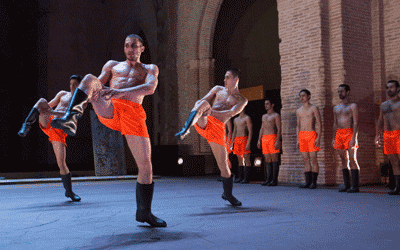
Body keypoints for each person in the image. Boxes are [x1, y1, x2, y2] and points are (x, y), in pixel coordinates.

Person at [50, 34, 166, 227]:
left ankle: (144, 213)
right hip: (111, 107)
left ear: (141, 49)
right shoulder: (113, 65)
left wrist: (120, 92)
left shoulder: (149, 68)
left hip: (133, 113)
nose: (130, 49)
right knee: (88, 79)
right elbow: (97, 84)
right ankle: (71, 118)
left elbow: (150, 88)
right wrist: (92, 95)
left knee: (146, 167)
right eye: (127, 46)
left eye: (134, 46)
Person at [175, 68, 248, 206]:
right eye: (224, 77)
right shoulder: (217, 89)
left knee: (224, 166)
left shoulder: (242, 100)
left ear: (236, 79)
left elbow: (231, 113)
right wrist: (205, 110)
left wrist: (211, 111)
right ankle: (186, 128)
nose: (225, 80)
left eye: (227, 77)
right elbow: (203, 102)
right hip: (204, 121)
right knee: (200, 103)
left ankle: (228, 194)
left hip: (218, 127)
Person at [18, 75, 84, 202]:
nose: (72, 86)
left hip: (59, 128)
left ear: (80, 85)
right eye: (71, 84)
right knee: (42, 101)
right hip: (49, 121)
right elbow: (48, 105)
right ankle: (26, 125)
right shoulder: (62, 94)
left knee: (61, 163)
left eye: (75, 84)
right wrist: (45, 111)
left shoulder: (80, 100)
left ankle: (69, 192)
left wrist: (52, 113)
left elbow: (70, 116)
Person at [333, 84, 360, 193]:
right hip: (339, 133)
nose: (340, 93)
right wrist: (334, 137)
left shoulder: (353, 106)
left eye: (342, 91)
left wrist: (354, 137)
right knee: (343, 159)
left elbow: (356, 122)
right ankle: (347, 185)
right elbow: (335, 123)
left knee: (353, 158)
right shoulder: (336, 107)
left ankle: (355, 186)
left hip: (349, 132)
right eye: (339, 91)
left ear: (348, 92)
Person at [376, 80, 400, 195]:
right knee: (394, 162)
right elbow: (380, 120)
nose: (389, 89)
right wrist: (377, 135)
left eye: (392, 87)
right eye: (387, 87)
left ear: (398, 89)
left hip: (399, 133)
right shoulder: (384, 105)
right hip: (388, 135)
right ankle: (397, 187)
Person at [296, 89, 322, 189]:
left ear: (309, 96)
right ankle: (308, 182)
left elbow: (319, 124)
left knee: (313, 159)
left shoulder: (314, 108)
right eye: (300, 96)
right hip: (302, 135)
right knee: (305, 160)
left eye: (303, 96)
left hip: (311, 134)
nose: (301, 98)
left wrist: (318, 137)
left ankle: (314, 182)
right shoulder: (298, 110)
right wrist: (297, 139)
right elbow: (297, 126)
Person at [257, 98, 281, 186]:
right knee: (267, 159)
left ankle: (274, 180)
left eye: (267, 104)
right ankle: (268, 179)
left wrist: (277, 140)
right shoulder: (264, 116)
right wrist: (259, 139)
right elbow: (262, 128)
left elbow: (279, 129)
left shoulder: (276, 115)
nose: (266, 105)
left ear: (272, 105)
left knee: (274, 158)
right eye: (265, 104)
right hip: (265, 138)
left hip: (273, 137)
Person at [231, 110, 253, 184]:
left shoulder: (247, 118)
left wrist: (248, 143)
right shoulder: (235, 119)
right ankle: (240, 177)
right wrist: (232, 143)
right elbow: (234, 131)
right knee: (239, 159)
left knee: (246, 158)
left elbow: (250, 131)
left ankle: (246, 178)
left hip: (244, 138)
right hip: (237, 139)